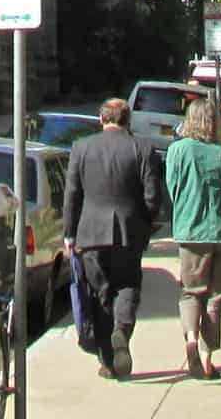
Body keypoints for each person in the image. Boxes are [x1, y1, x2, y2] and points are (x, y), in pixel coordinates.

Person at [61, 96, 164, 380]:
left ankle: (107, 361)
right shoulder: (142, 147)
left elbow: (72, 194)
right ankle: (122, 330)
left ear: (101, 119)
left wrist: (69, 233)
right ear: (127, 120)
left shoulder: (81, 148)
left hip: (90, 233)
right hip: (129, 232)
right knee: (128, 284)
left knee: (100, 294)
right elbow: (153, 196)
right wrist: (145, 224)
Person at [163, 97, 221, 379]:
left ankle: (190, 339)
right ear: (214, 123)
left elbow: (172, 190)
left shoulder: (177, 150)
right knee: (215, 296)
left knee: (191, 290)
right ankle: (208, 360)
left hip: (191, 229)